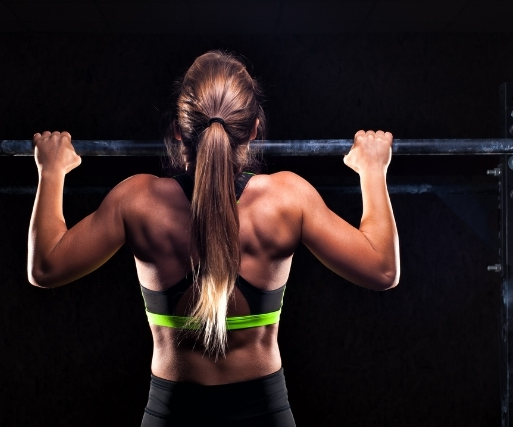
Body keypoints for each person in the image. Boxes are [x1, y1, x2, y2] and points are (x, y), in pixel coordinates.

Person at [27, 50, 399, 427]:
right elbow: (383, 269)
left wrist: (51, 171)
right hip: (263, 414)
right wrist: (372, 170)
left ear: (177, 129)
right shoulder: (288, 200)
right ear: (255, 129)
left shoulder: (137, 202)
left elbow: (45, 266)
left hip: (172, 414)